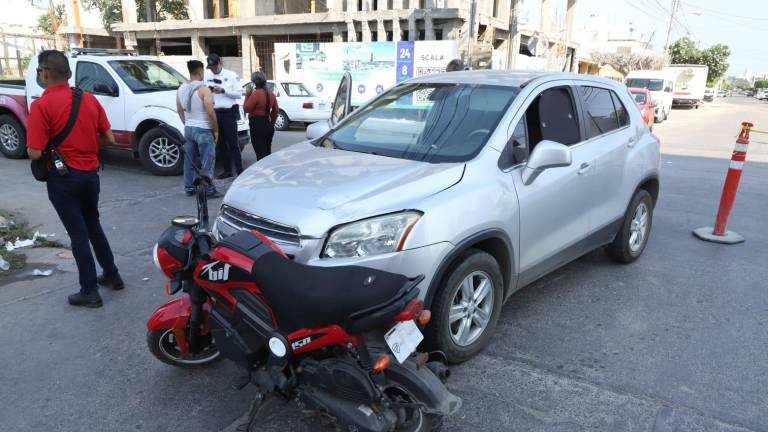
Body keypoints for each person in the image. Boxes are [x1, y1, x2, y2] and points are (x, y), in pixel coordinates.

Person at [27, 50, 122, 308]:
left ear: (45, 73)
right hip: (91, 175)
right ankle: (112, 275)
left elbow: (34, 151)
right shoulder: (88, 99)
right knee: (93, 225)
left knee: (78, 235)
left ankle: (89, 291)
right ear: (67, 73)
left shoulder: (41, 106)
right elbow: (109, 139)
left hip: (63, 179)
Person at [176, 60, 219, 197]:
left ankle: (189, 187)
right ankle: (209, 189)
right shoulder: (204, 89)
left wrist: (187, 123)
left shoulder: (181, 88)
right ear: (201, 72)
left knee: (189, 160)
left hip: (189, 128)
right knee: (208, 161)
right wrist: (216, 130)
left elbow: (179, 110)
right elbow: (210, 112)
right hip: (204, 129)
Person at [205, 53, 243, 179]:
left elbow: (239, 94)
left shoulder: (231, 75)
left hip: (228, 113)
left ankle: (239, 170)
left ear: (220, 63)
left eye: (214, 67)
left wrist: (224, 91)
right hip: (215, 113)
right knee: (221, 144)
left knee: (233, 143)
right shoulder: (208, 77)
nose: (213, 70)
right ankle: (227, 170)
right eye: (211, 67)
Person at [243, 72, 278, 161]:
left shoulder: (256, 94)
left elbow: (246, 109)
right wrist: (272, 124)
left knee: (260, 154)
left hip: (257, 125)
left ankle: (262, 172)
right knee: (267, 152)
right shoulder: (271, 94)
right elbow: (276, 111)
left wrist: (247, 95)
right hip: (267, 123)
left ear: (254, 82)